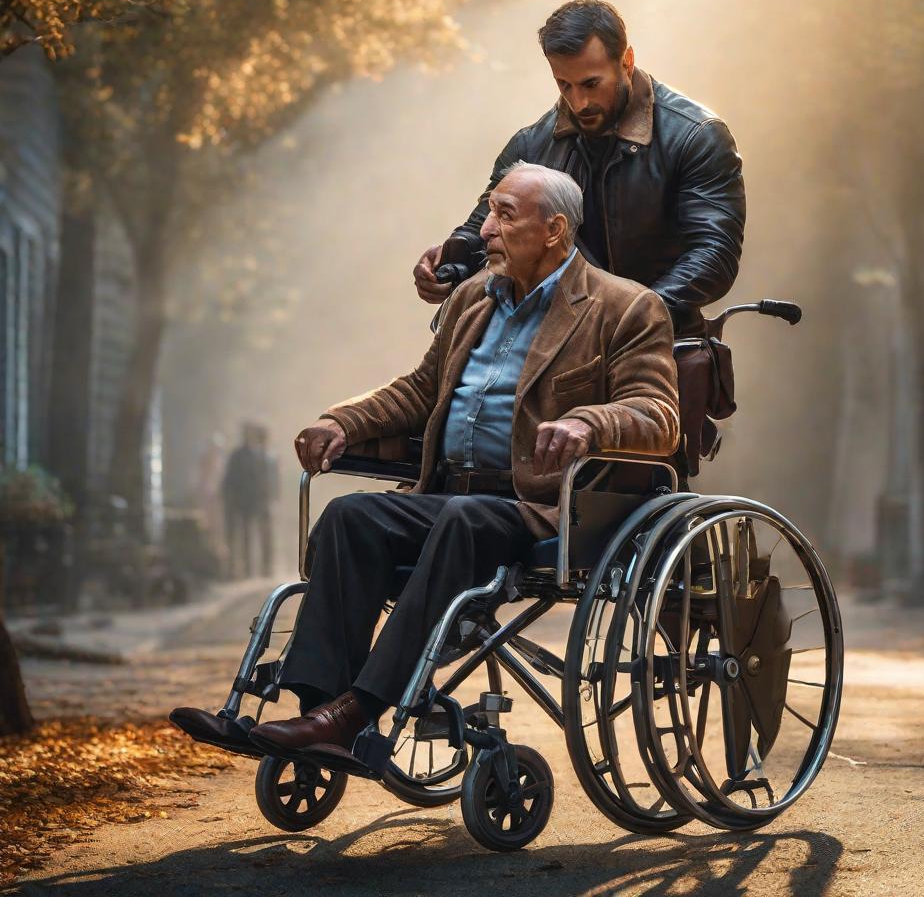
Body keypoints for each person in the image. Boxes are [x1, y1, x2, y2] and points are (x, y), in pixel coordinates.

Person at [171, 161, 679, 766]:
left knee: (462, 519)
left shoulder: (625, 308)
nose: (484, 229)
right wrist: (342, 421)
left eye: (503, 215)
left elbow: (657, 415)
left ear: (554, 230)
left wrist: (588, 422)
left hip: (542, 506)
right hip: (448, 495)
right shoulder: (472, 298)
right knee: (350, 516)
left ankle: (359, 709)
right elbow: (420, 390)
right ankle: (317, 710)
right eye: (489, 211)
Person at [413, 0, 745, 476]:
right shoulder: (533, 143)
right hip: (542, 346)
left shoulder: (697, 136)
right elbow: (482, 225)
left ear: (625, 61)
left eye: (592, 83)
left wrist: (624, 321)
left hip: (649, 351)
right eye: (563, 85)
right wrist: (450, 264)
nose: (579, 102)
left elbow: (714, 255)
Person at [220, 422, 274, 578]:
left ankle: (266, 567)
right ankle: (248, 569)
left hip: (261, 500)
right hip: (244, 501)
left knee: (264, 535)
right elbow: (231, 479)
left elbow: (269, 480)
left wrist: (271, 497)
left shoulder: (264, 455)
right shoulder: (237, 455)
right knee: (246, 536)